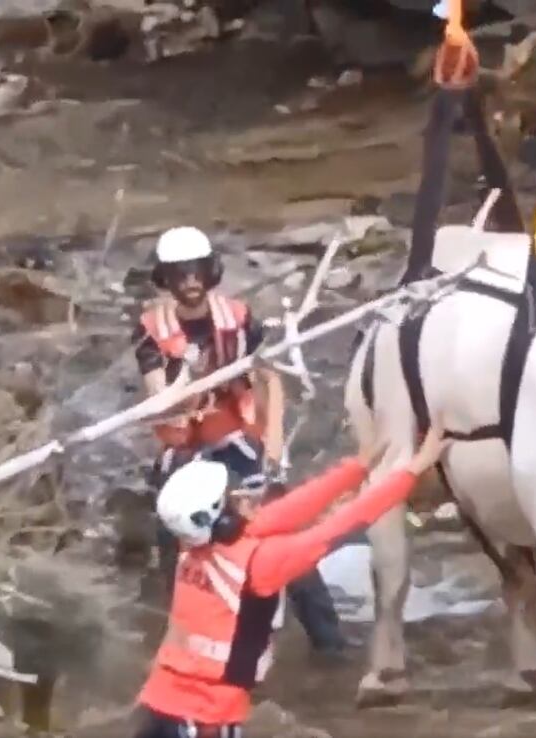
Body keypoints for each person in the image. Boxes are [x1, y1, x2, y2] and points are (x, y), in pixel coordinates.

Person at [133, 422, 449, 738]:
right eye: (234, 496)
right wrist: (413, 472)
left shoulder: (192, 546)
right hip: (204, 719)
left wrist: (356, 468)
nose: (244, 496)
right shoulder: (261, 563)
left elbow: (291, 509)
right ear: (224, 518)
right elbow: (348, 520)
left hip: (158, 704)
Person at [131, 225, 347, 655]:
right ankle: (184, 646)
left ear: (210, 273)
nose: (190, 283)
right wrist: (190, 375)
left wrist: (274, 442)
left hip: (238, 440)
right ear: (166, 280)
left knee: (288, 540)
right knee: (177, 549)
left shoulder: (238, 317)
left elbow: (269, 378)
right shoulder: (151, 331)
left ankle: (330, 645)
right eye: (180, 274)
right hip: (185, 450)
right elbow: (160, 401)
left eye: (197, 272)